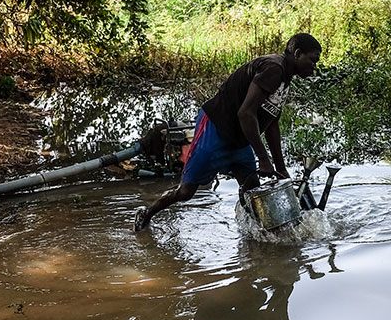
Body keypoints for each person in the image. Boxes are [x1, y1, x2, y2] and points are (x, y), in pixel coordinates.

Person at [134, 32, 322, 232]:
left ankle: (260, 247)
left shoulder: (285, 77)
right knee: (186, 191)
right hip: (215, 130)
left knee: (253, 191)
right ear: (297, 53)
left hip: (239, 139)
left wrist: (281, 167)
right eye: (312, 60)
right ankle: (147, 213)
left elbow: (272, 123)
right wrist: (264, 159)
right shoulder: (273, 69)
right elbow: (246, 113)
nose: (314, 66)